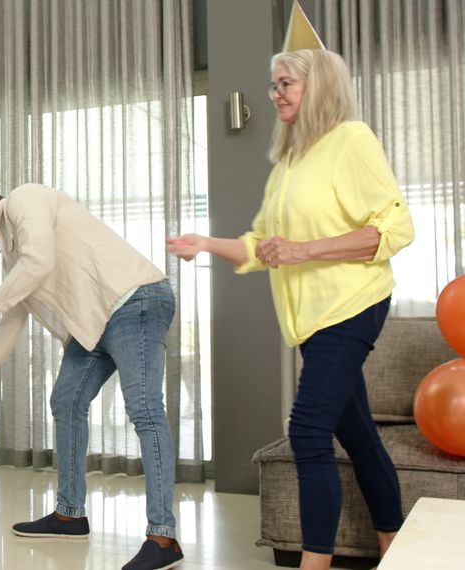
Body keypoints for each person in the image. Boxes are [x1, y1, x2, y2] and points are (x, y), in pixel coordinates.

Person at [167, 47, 414, 569]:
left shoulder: (352, 139)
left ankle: (314, 564)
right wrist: (206, 244)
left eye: (286, 84)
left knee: (306, 430)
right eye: (273, 84)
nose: (275, 93)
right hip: (308, 318)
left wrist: (304, 250)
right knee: (359, 434)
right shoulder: (287, 162)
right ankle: (396, 548)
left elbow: (395, 228)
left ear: (318, 86)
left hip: (351, 303)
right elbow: (262, 245)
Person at [0, 182, 185, 570]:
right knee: (66, 401)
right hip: (94, 325)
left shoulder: (25, 199)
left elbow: (40, 262)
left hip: (136, 300)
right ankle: (70, 515)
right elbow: (10, 323)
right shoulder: (14, 259)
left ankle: (163, 536)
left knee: (145, 410)